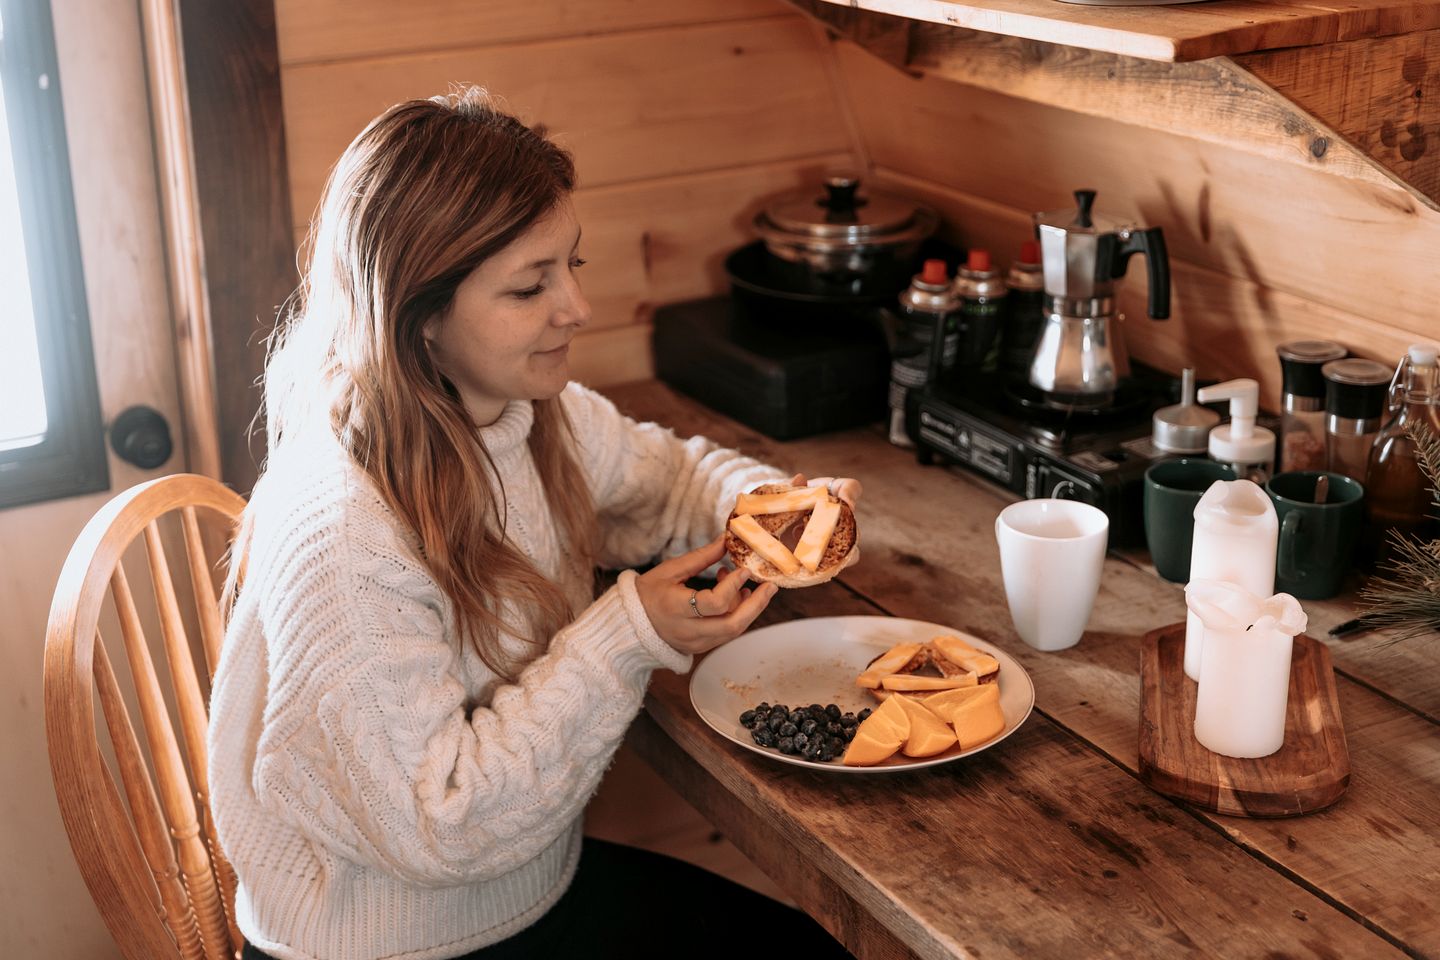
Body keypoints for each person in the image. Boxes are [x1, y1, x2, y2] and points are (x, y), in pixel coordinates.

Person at [208, 87, 860, 960]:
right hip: (394, 941)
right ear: (421, 317)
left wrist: (791, 511)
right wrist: (627, 636)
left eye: (572, 266)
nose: (576, 310)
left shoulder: (523, 412)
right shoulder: (345, 533)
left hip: (517, 891)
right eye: (529, 287)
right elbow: (442, 826)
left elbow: (668, 481)